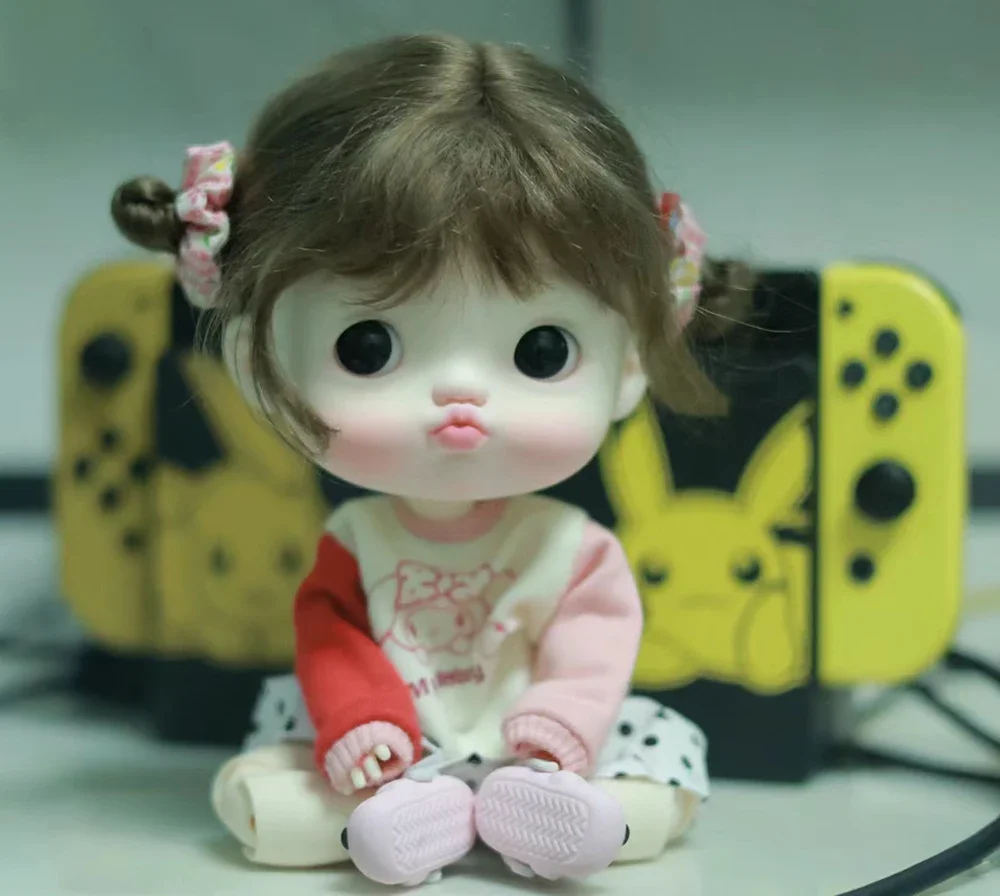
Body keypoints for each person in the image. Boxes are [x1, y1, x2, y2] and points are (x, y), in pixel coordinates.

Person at [111, 33, 740, 888]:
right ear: (259, 364)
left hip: (551, 749)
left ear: (629, 365)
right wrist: (364, 725)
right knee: (256, 784)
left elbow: (593, 644)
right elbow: (333, 638)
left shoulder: (570, 548)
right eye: (368, 347)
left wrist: (560, 723)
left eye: (542, 351)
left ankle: (580, 822)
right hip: (377, 747)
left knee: (666, 771)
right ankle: (400, 820)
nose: (460, 398)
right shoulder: (354, 542)